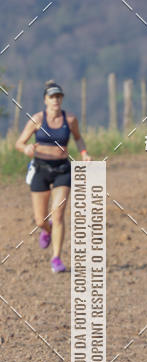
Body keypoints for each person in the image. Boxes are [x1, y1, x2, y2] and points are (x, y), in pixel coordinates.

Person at [15, 80, 90, 273]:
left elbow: (78, 138)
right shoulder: (37, 120)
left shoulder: (70, 119)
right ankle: (46, 229)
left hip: (62, 170)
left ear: (62, 99)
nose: (55, 100)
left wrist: (84, 154)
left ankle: (56, 258)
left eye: (58, 96)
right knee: (40, 220)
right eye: (52, 97)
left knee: (58, 215)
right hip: (40, 169)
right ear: (45, 100)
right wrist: (26, 148)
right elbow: (19, 142)